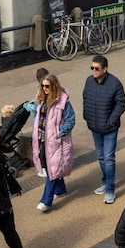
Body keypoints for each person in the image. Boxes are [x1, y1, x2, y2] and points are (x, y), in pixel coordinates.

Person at [83, 55, 125, 205]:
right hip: (95, 127)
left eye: (96, 68)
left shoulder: (114, 83)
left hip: (109, 128)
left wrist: (111, 120)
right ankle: (105, 181)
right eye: (92, 68)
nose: (93, 71)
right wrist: (86, 116)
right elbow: (85, 98)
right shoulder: (89, 81)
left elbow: (122, 104)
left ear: (105, 69)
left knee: (108, 159)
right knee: (101, 157)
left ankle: (110, 190)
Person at [33, 74, 76, 211]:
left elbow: (71, 120)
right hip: (42, 140)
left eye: (47, 86)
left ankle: (46, 201)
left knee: (52, 169)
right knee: (49, 166)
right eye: (43, 86)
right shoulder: (40, 99)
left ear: (54, 86)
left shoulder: (63, 102)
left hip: (57, 142)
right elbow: (37, 116)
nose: (45, 88)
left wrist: (59, 133)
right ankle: (61, 189)